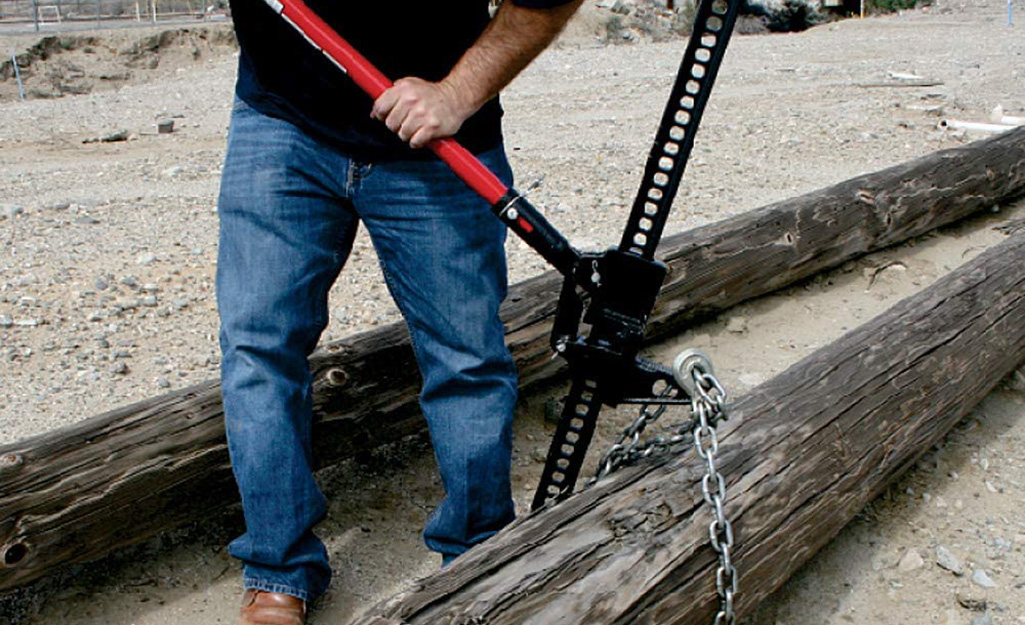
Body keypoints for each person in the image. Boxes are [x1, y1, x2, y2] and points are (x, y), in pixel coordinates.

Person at [217, 0, 582, 622]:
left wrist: (457, 93)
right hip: (280, 120)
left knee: (466, 358)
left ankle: (476, 557)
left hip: (436, 134)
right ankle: (278, 565)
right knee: (257, 348)